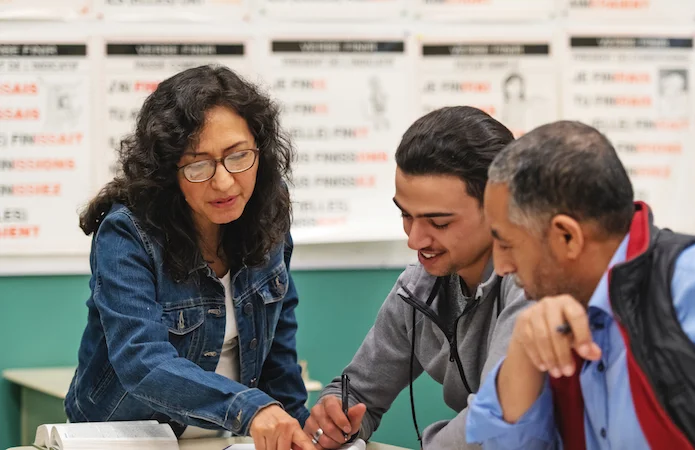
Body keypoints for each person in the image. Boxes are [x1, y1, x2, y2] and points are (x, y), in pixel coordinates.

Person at [467, 120, 695, 449]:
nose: (502, 266)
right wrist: (523, 354)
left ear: (567, 236)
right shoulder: (552, 315)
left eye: (506, 244)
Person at [66, 65, 315, 450]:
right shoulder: (128, 231)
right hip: (126, 435)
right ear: (169, 171)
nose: (224, 182)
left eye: (238, 156)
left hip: (228, 437)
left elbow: (279, 344)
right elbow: (142, 361)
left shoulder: (266, 208)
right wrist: (249, 409)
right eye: (198, 164)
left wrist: (299, 427)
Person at [304, 106, 529, 449]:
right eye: (405, 215)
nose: (415, 240)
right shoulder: (417, 288)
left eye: (439, 223)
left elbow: (496, 420)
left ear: (500, 207)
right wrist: (336, 416)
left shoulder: (533, 285)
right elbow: (358, 392)